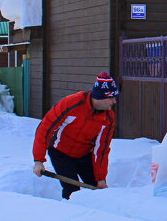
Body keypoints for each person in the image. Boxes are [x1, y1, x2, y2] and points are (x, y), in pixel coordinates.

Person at [32, 71, 119, 199]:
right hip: (60, 152)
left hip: (84, 154)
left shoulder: (108, 118)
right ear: (100, 97)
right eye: (111, 98)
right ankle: (70, 214)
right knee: (72, 191)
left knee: (95, 189)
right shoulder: (71, 103)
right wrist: (38, 160)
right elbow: (45, 128)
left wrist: (101, 178)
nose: (114, 101)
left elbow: (102, 149)